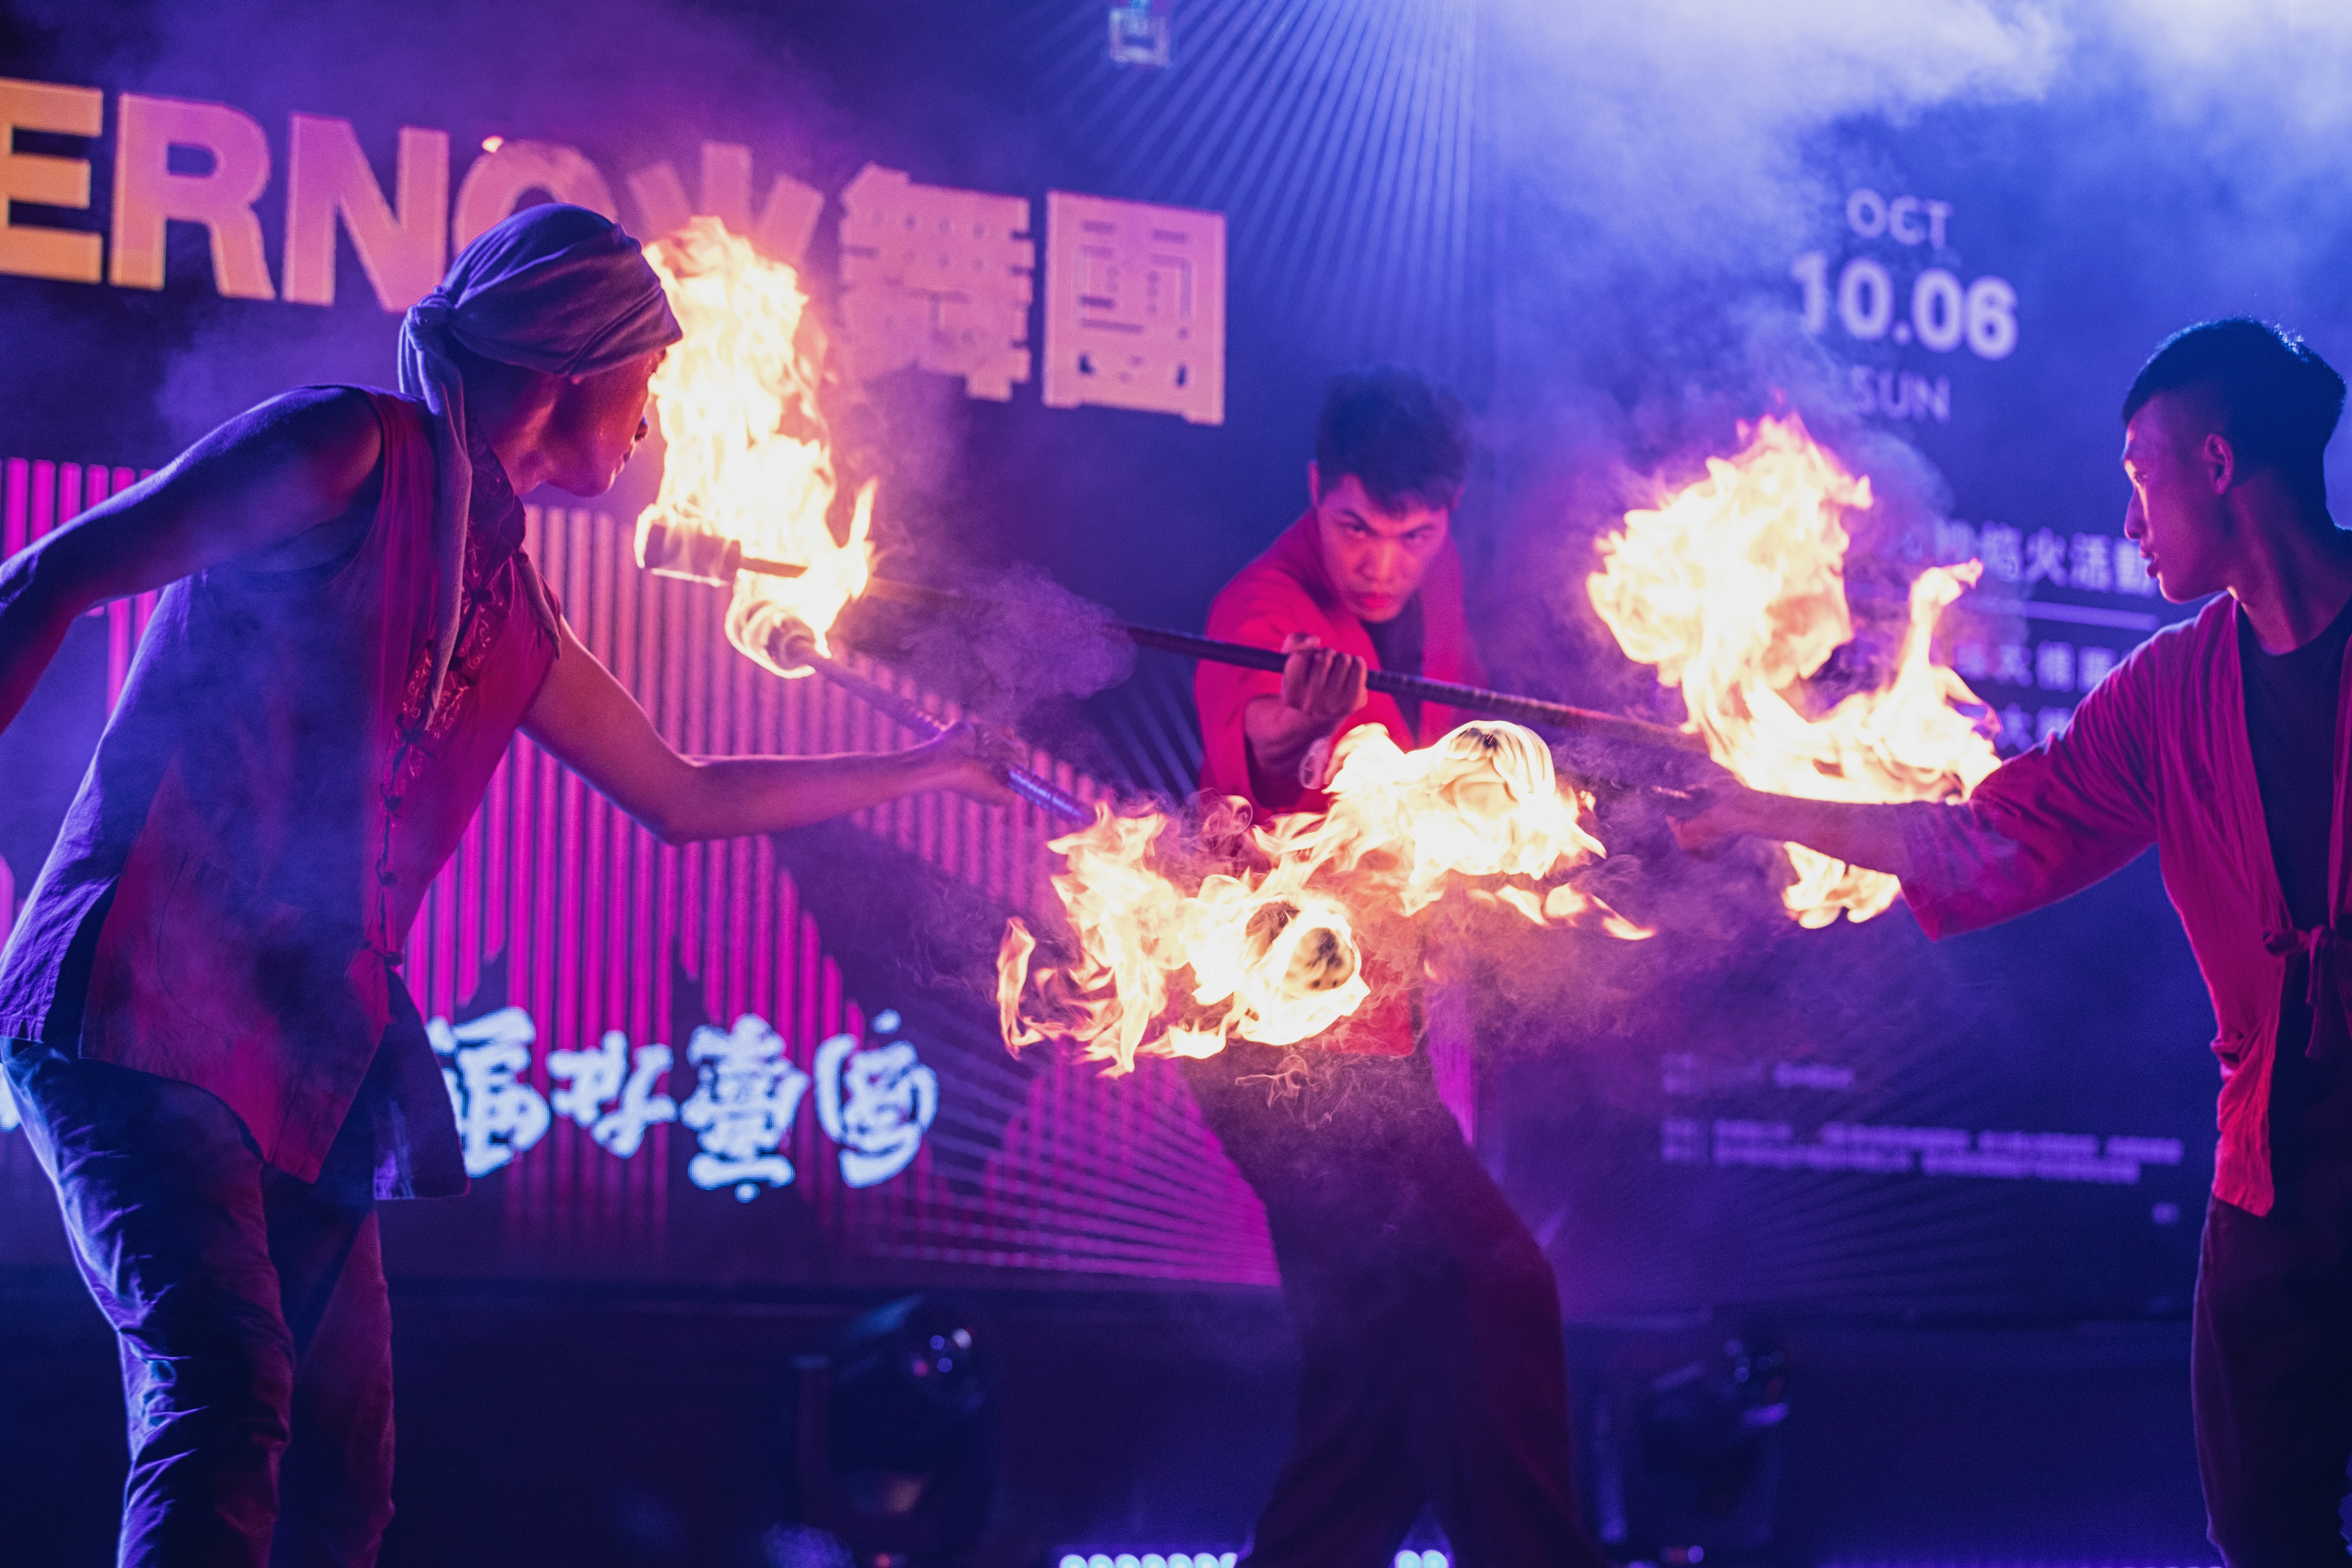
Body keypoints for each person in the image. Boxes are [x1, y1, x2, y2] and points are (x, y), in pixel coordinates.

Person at [0, 203, 1010, 1567]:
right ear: (574, 368)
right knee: (227, 1392)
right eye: (646, 385)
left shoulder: (509, 602)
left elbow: (686, 794)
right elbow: (54, 571)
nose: (655, 423)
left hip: (300, 1059)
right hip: (139, 1003)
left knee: (342, 1473)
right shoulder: (344, 446)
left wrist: (934, 766)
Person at [1673, 318, 2352, 1566]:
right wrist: (1761, 807)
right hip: (2273, 1197)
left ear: (2214, 463)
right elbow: (1992, 844)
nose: (2133, 523)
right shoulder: (2167, 693)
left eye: (2141, 479)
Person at [1188, 367, 1612, 1568]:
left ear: (1449, 518)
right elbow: (1263, 761)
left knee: (1372, 1388)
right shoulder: (1261, 612)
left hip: (1383, 1046)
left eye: (1414, 537)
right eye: (1356, 531)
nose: (1381, 565)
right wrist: (1291, 739)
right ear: (1317, 491)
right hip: (1279, 1054)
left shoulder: (1436, 591)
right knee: (1498, 1293)